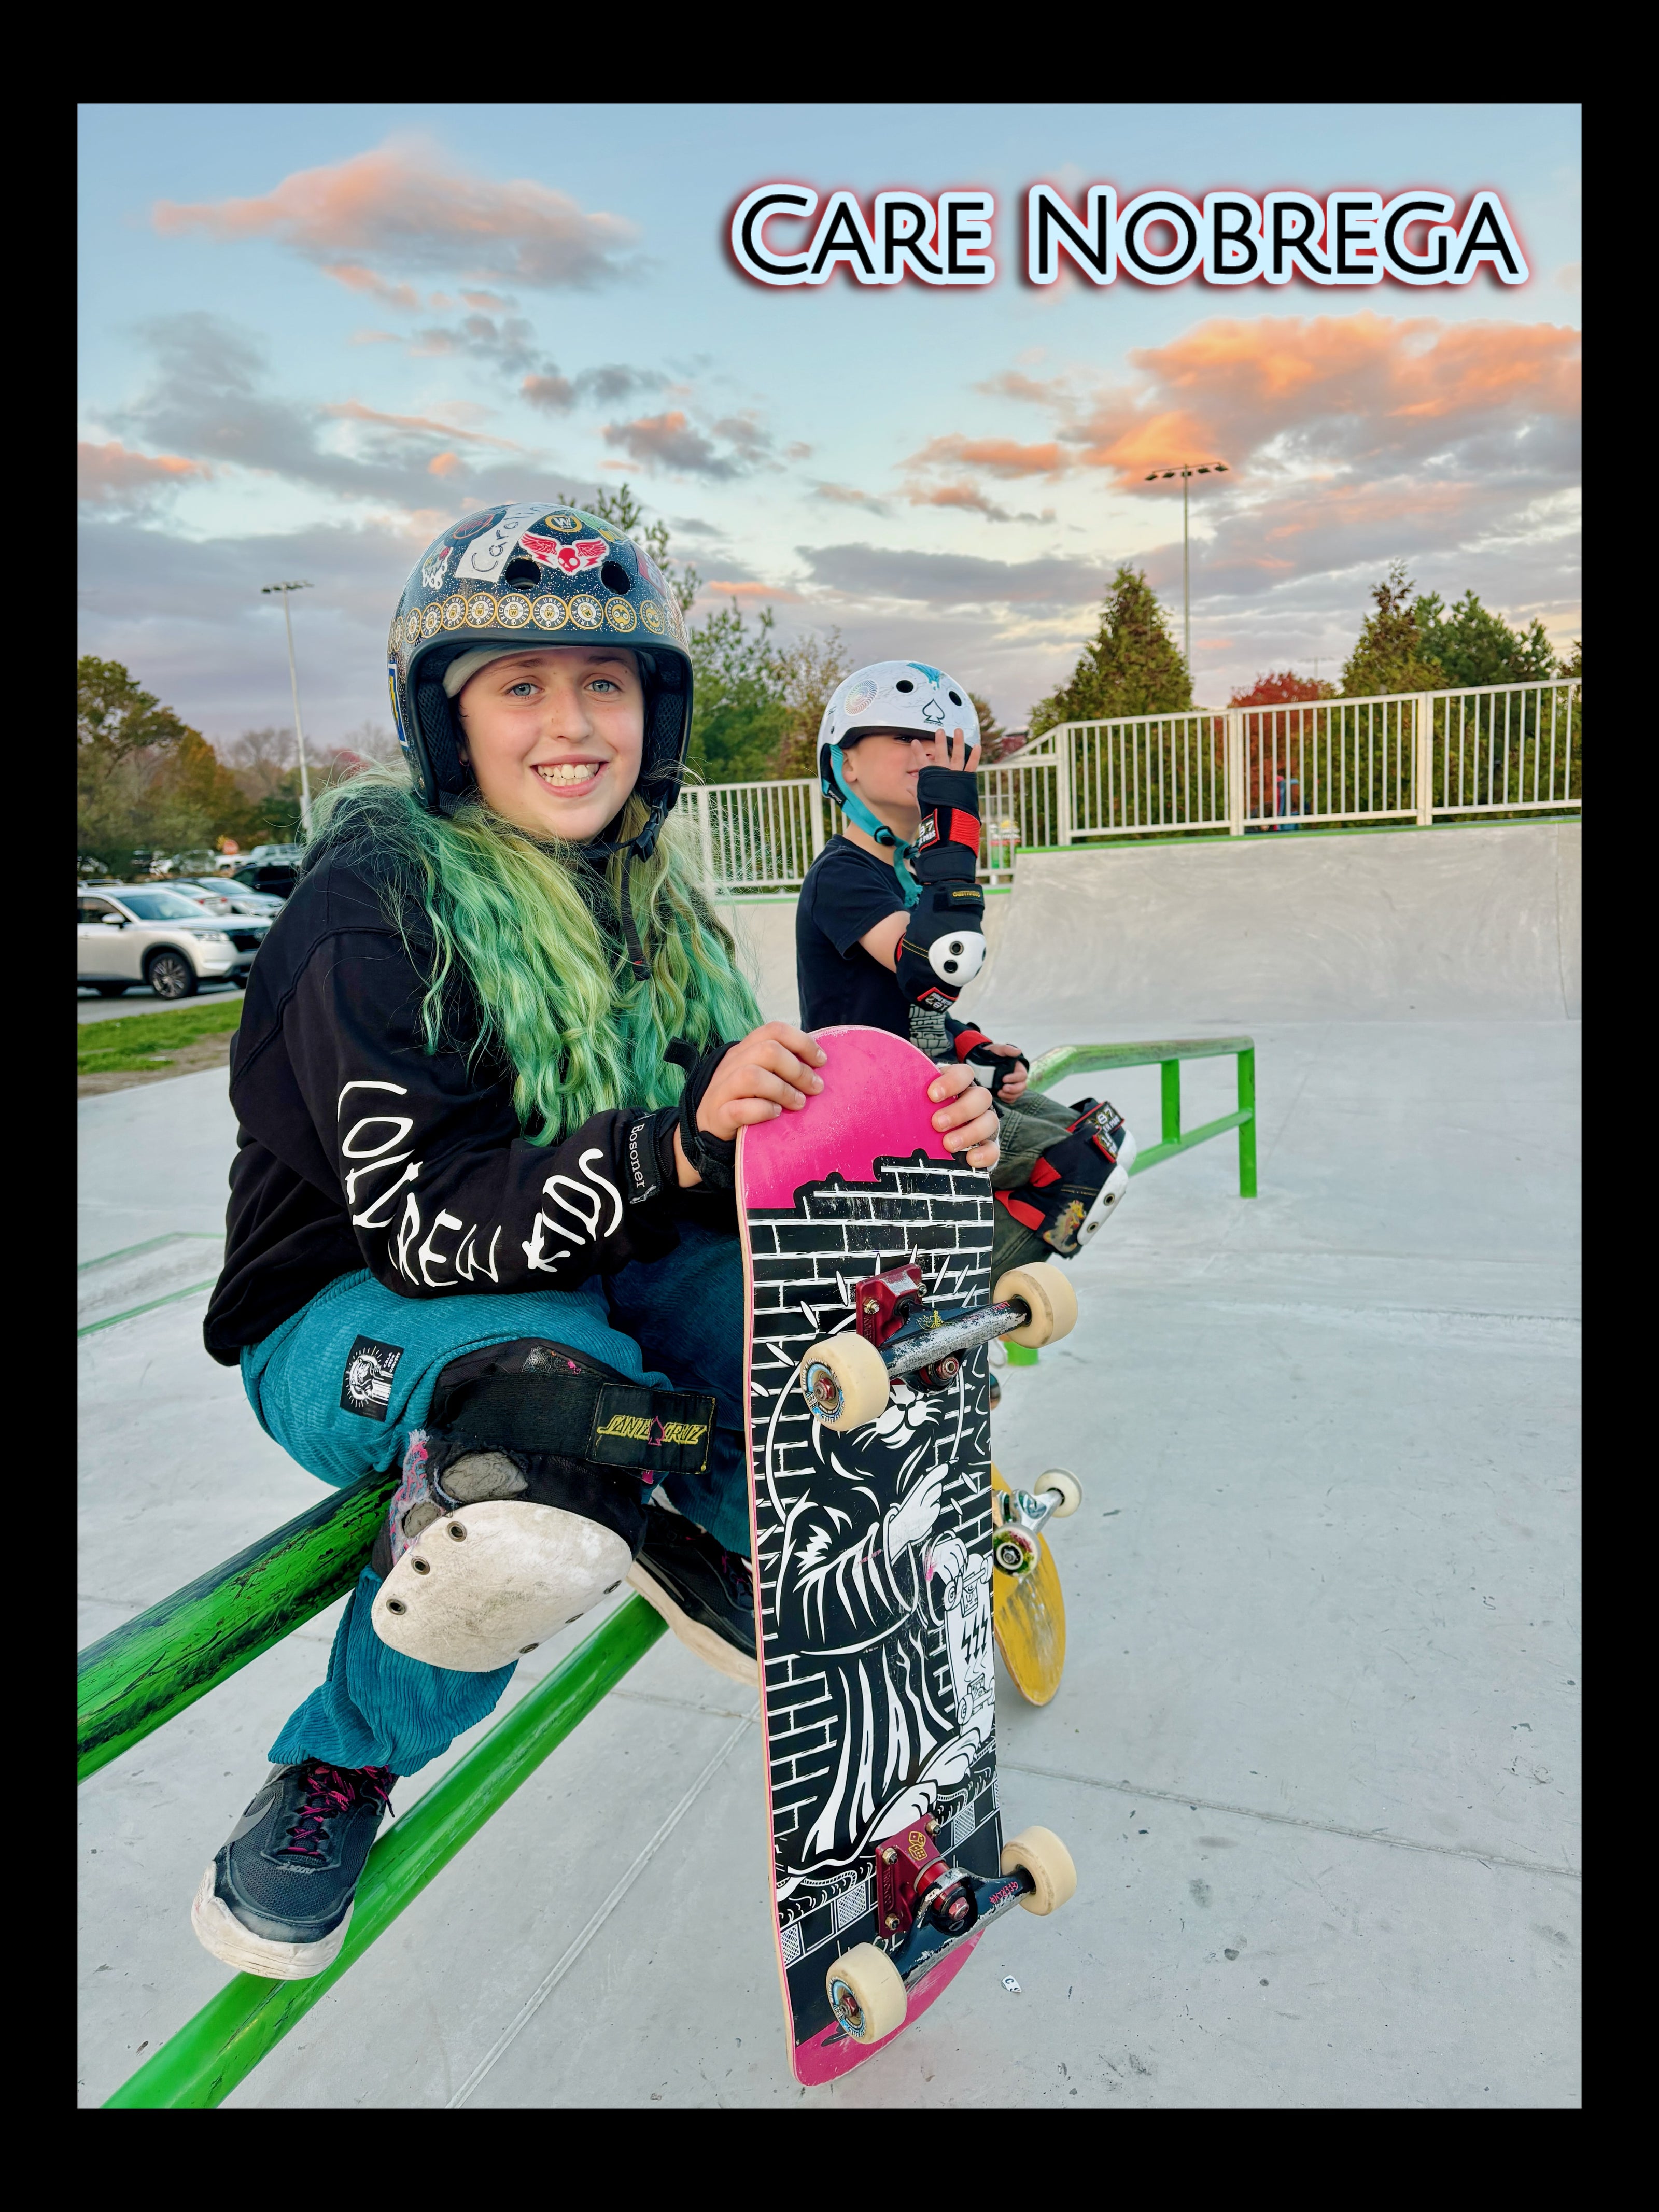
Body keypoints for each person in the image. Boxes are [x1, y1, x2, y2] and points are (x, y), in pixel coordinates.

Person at [191, 508, 1001, 1981]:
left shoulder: (648, 904)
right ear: (448, 722)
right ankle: (340, 1765)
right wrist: (673, 1145)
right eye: (522, 686)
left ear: (652, 712)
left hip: (584, 1267)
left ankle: (722, 1526)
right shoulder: (367, 915)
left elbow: (745, 1152)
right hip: (349, 1307)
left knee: (840, 1330)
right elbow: (428, 1225)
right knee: (546, 1424)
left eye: (605, 685)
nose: (571, 726)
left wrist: (921, 1127)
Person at [796, 660, 1136, 1302]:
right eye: (903, 737)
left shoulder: (901, 875)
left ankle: (936, 1277)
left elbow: (912, 1003)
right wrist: (951, 840)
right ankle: (939, 1313)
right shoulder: (841, 874)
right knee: (1078, 1170)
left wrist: (973, 1044)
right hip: (872, 1104)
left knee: (1102, 1133)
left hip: (924, 1083)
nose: (925, 752)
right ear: (845, 764)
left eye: (937, 741)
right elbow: (932, 962)